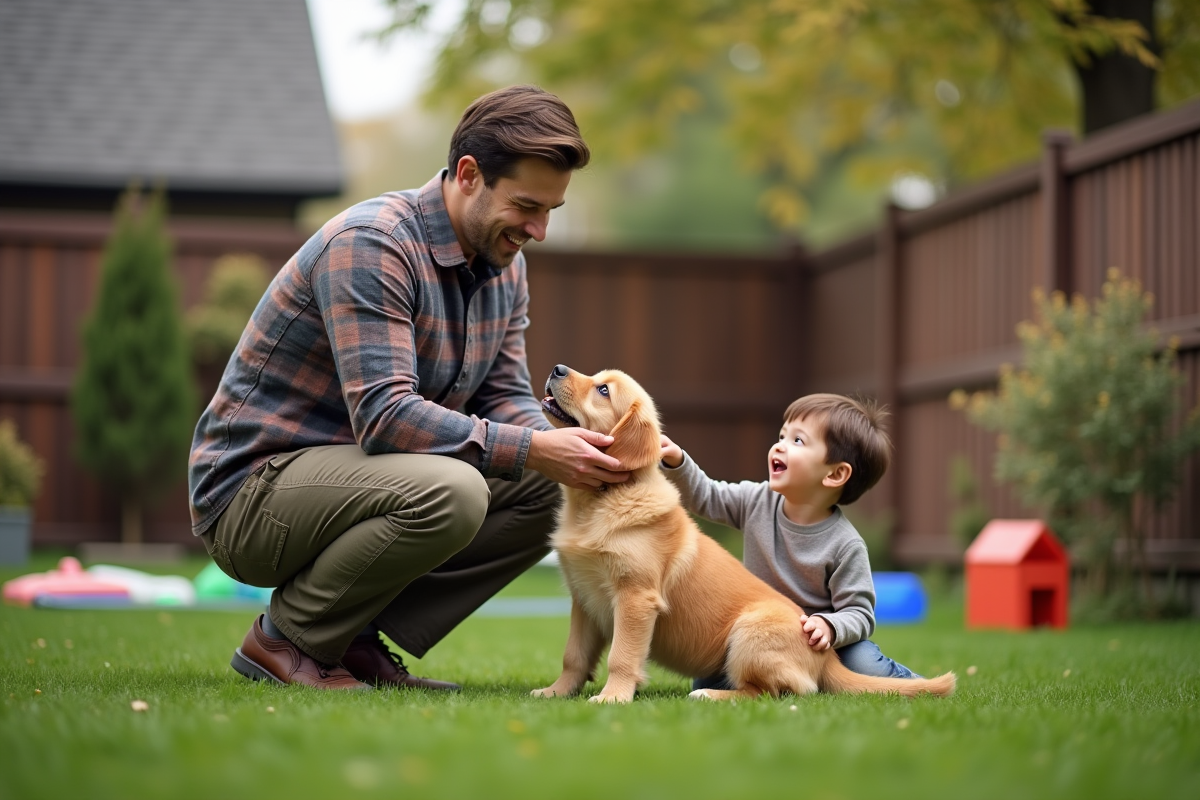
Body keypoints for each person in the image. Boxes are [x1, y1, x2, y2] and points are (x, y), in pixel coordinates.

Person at [188, 86, 629, 691]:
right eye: (528, 205)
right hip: (253, 494)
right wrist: (533, 449)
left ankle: (350, 637)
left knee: (558, 488)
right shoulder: (373, 245)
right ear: (469, 175)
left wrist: (578, 449)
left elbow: (503, 395)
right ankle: (286, 641)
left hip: (365, 480)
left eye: (551, 209)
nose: (540, 229)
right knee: (454, 490)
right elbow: (386, 417)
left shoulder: (506, 263)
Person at [658, 393, 920, 689]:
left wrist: (829, 626)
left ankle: (907, 681)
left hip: (823, 644)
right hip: (764, 635)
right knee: (706, 681)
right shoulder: (756, 501)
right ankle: (789, 681)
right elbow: (708, 496)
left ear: (835, 474)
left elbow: (859, 613)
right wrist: (679, 462)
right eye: (782, 435)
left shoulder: (846, 544)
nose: (779, 445)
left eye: (798, 441)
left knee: (863, 664)